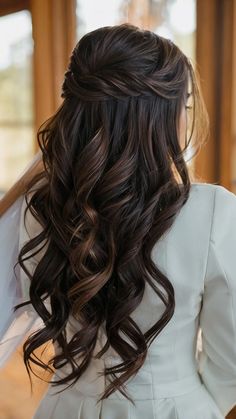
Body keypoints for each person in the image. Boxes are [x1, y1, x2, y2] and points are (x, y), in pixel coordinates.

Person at [0, 23, 236, 419]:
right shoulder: (214, 212)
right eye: (185, 105)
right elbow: (231, 358)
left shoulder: (37, 208)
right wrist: (191, 402)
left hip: (63, 407)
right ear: (161, 115)